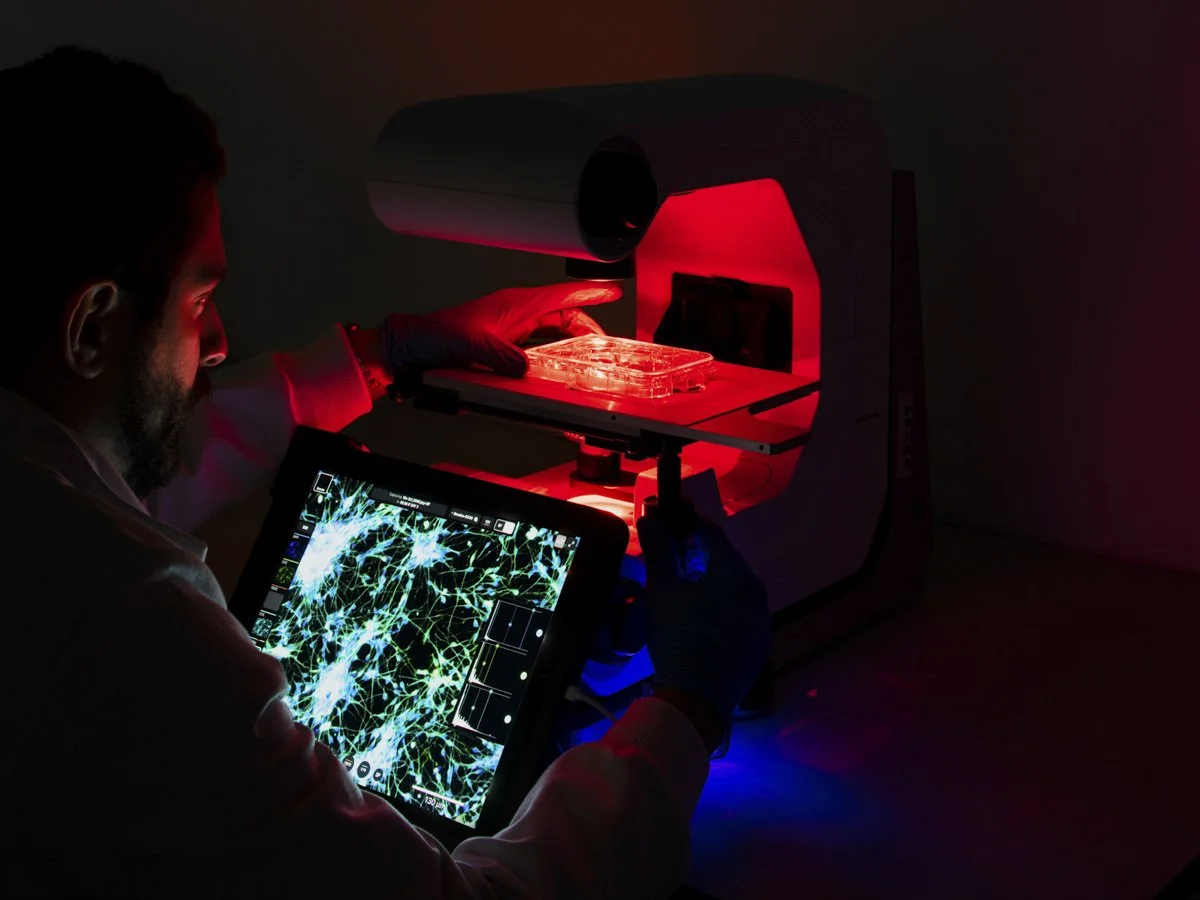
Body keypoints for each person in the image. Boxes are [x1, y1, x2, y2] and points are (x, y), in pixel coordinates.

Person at [0, 46, 770, 899]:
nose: (218, 343)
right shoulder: (127, 625)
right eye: (198, 300)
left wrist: (380, 356)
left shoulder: (36, 498)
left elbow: (127, 476)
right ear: (93, 328)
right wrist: (687, 710)